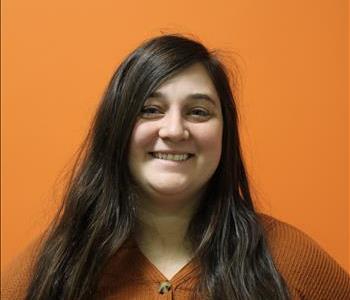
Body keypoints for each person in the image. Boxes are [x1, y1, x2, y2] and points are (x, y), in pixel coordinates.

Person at [1, 34, 350, 300]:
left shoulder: (290, 259)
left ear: (224, 133)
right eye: (150, 109)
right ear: (117, 127)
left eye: (198, 111)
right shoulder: (55, 267)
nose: (173, 130)